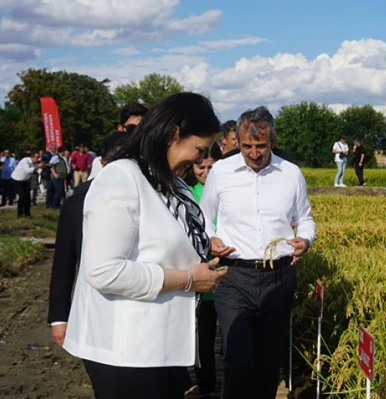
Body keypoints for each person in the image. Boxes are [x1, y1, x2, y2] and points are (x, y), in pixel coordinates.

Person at [61, 93, 227, 399]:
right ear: (173, 134)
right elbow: (103, 271)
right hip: (125, 351)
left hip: (161, 346)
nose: (202, 160)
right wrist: (189, 279)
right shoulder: (122, 179)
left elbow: (169, 241)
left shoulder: (173, 183)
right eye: (200, 149)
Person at [200, 106, 316, 399]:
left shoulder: (291, 174)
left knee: (268, 361)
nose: (253, 153)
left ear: (272, 142)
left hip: (278, 277)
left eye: (261, 146)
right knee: (237, 357)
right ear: (237, 142)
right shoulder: (222, 172)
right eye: (247, 146)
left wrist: (305, 239)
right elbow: (202, 215)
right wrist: (209, 239)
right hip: (233, 276)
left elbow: (305, 218)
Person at [48, 133, 125, 347]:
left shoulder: (154, 199)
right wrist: (59, 317)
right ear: (103, 163)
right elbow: (63, 263)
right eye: (117, 163)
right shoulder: (77, 203)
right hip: (94, 305)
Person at [183, 142, 222, 397]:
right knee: (204, 340)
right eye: (201, 166)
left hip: (229, 274)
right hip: (201, 275)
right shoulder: (186, 192)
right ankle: (207, 387)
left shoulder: (228, 190)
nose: (206, 171)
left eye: (211, 166)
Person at [11, 150, 44, 218]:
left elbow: (38, 171)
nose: (38, 159)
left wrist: (42, 167)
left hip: (25, 180)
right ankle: (20, 213)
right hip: (16, 180)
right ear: (32, 157)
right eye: (37, 157)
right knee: (22, 196)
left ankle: (27, 213)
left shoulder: (35, 163)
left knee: (28, 197)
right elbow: (28, 170)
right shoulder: (25, 161)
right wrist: (38, 166)